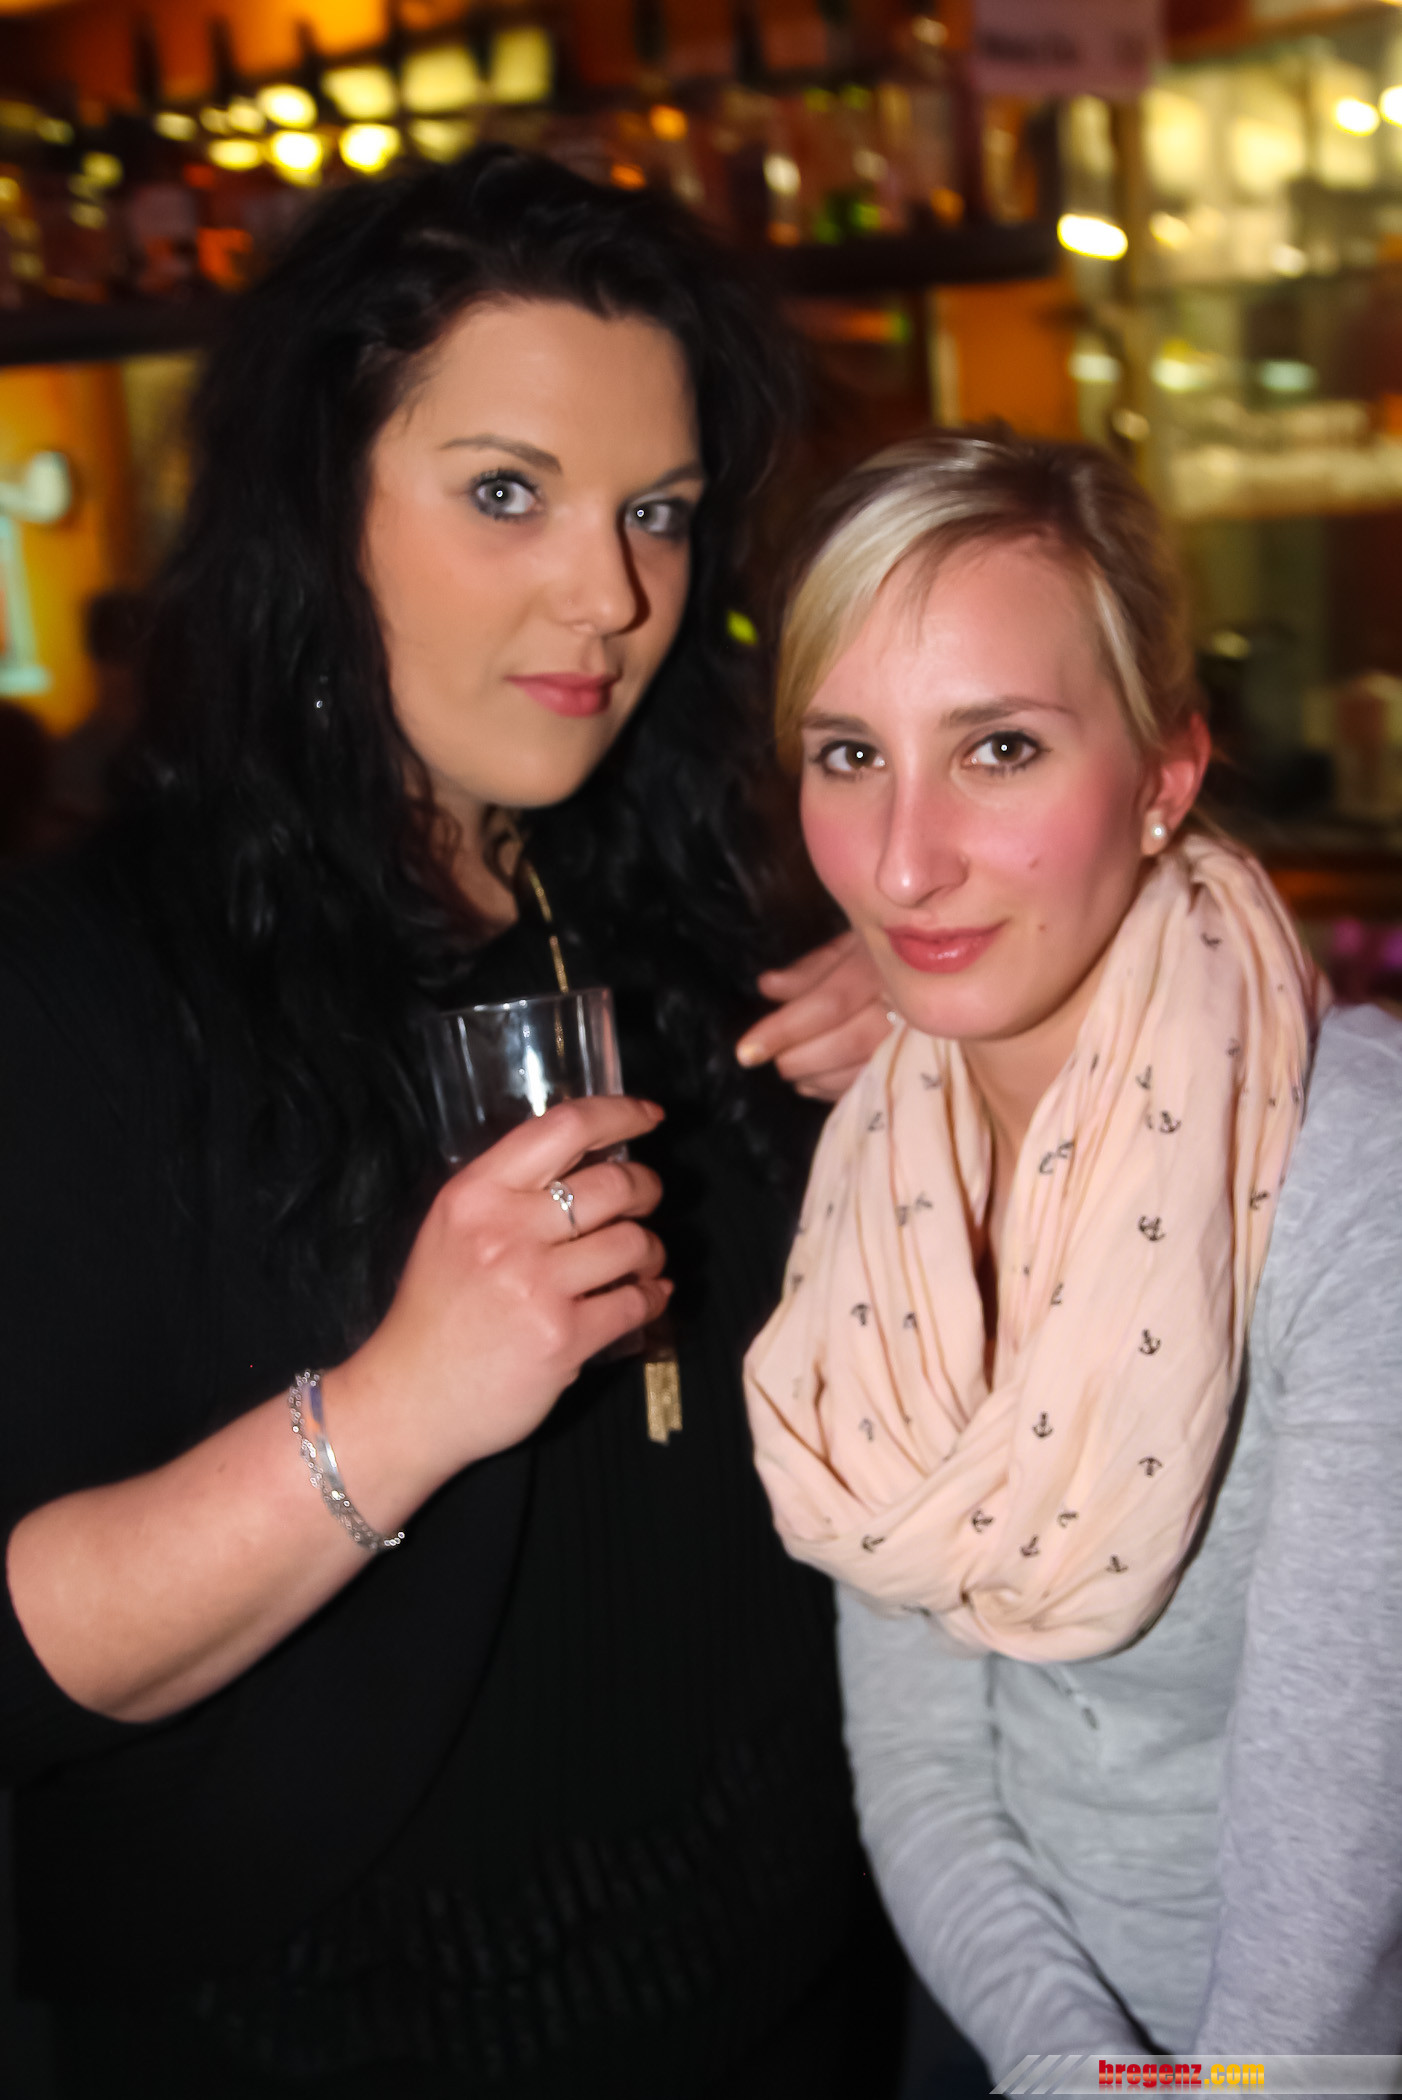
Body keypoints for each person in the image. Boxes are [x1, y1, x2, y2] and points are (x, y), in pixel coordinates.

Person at [0, 148, 896, 2099]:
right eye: (507, 492)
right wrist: (396, 1406)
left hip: (798, 1991)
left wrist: (937, 1039)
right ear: (316, 502)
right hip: (318, 2037)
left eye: (655, 510)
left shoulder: (703, 912)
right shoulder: (78, 985)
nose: (611, 594)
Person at [744, 428, 1402, 2069]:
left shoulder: (1348, 1174)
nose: (904, 861)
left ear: (1165, 776)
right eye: (848, 754)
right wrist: (1061, 2061)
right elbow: (922, 1765)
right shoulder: (876, 1167)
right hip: (1010, 2022)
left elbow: (1338, 1848)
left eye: (998, 748)